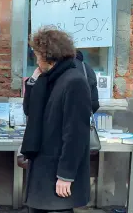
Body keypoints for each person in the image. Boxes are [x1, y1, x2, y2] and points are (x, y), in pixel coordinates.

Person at [21, 28, 91, 213]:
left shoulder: (74, 82)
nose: (36, 60)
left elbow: (76, 134)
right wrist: (33, 81)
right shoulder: (47, 79)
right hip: (42, 166)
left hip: (57, 169)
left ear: (48, 55)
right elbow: (30, 110)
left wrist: (66, 175)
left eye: (37, 55)